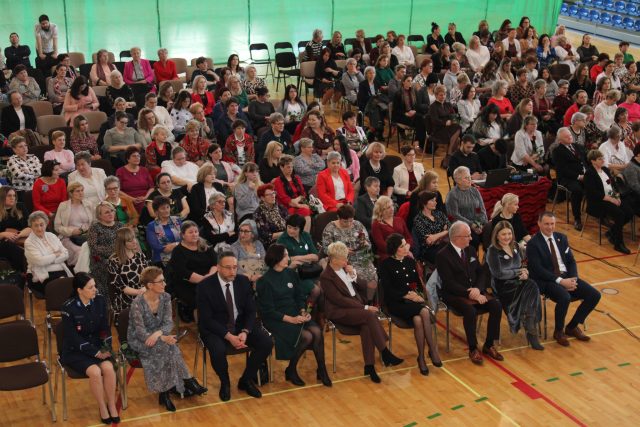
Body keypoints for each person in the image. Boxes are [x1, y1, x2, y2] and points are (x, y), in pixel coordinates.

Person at [321, 241, 403, 382]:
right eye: (343, 258)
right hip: (339, 311)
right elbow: (339, 300)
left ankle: (369, 367)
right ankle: (385, 352)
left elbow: (364, 287)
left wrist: (353, 275)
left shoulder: (345, 269)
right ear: (333, 260)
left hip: (355, 307)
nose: (346, 261)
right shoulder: (326, 276)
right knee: (369, 315)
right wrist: (364, 307)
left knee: (367, 326)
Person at [196, 249, 273, 401]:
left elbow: (251, 310)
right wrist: (229, 336)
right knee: (218, 350)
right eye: (228, 268)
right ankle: (225, 382)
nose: (232, 271)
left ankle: (246, 380)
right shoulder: (204, 286)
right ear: (218, 267)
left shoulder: (242, 281)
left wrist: (245, 331)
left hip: (239, 325)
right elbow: (206, 319)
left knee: (266, 342)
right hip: (215, 328)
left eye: (235, 267)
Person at [128, 266, 206, 412]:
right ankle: (188, 381)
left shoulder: (165, 297)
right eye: (161, 281)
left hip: (159, 336)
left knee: (167, 347)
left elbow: (168, 323)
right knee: (168, 347)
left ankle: (164, 394)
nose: (165, 284)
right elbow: (140, 332)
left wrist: (159, 334)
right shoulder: (137, 303)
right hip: (140, 339)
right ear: (150, 285)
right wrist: (162, 337)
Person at [256, 244, 331, 387]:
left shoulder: (290, 274)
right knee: (307, 336)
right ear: (276, 258)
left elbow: (299, 296)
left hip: (294, 312)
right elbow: (268, 311)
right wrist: (291, 319)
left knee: (316, 331)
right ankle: (291, 369)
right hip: (276, 319)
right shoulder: (264, 281)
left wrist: (303, 311)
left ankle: (322, 370)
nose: (288, 258)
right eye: (285, 255)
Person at [526, 212, 601, 346]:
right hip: (547, 280)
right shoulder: (533, 244)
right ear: (539, 224)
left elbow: (571, 260)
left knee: (594, 295)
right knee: (564, 297)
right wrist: (561, 281)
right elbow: (538, 269)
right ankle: (558, 331)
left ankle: (572, 327)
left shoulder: (561, 238)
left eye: (552, 224)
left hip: (566, 276)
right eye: (546, 224)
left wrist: (573, 278)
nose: (550, 227)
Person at [436, 221, 503, 364]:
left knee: (496, 305)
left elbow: (481, 272)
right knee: (470, 311)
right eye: (468, 235)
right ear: (457, 238)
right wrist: (470, 293)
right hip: (454, 294)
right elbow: (449, 283)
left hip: (475, 290)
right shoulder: (442, 255)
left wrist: (478, 289)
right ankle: (473, 348)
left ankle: (489, 344)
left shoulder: (471, 250)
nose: (471, 238)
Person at [60, 273, 120, 424]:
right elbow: (73, 337)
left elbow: (105, 328)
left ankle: (111, 404)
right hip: (76, 351)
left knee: (109, 368)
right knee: (95, 372)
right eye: (90, 287)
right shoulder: (68, 307)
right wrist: (95, 352)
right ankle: (102, 407)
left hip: (98, 346)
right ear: (79, 290)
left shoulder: (99, 301)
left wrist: (105, 347)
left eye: (95, 286)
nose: (95, 290)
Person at [381, 233, 442, 375]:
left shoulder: (409, 261)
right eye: (402, 246)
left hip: (413, 301)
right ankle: (432, 349)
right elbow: (388, 290)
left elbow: (418, 284)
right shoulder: (385, 264)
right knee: (424, 311)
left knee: (418, 320)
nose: (406, 247)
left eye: (405, 245)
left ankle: (421, 358)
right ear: (395, 249)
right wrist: (407, 295)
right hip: (396, 303)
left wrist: (418, 295)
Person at [486, 221, 543, 349]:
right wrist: (518, 272)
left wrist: (525, 271)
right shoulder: (492, 251)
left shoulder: (516, 246)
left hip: (518, 282)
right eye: (503, 234)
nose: (507, 237)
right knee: (530, 288)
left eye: (509, 233)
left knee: (532, 284)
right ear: (496, 235)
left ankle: (530, 324)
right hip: (503, 286)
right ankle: (531, 329)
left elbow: (523, 264)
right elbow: (498, 273)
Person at [584, 149, 633, 254]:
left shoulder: (605, 170)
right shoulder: (589, 174)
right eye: (599, 159)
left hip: (611, 197)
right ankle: (618, 244)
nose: (603, 160)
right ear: (593, 161)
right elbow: (593, 193)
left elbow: (613, 185)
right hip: (598, 202)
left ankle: (612, 231)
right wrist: (610, 199)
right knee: (619, 214)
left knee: (629, 212)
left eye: (602, 158)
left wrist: (617, 196)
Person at [322, 204, 378, 295]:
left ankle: (369, 300)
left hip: (361, 258)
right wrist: (343, 251)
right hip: (343, 261)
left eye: (351, 221)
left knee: (373, 278)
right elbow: (326, 248)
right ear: (338, 217)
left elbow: (367, 243)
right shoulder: (330, 228)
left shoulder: (357, 225)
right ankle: (357, 300)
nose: (348, 224)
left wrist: (365, 244)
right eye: (345, 221)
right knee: (358, 280)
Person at [169, 220, 218, 323]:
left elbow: (215, 263)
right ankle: (202, 328)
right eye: (190, 232)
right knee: (200, 300)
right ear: (183, 235)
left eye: (196, 231)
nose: (194, 234)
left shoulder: (205, 245)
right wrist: (203, 280)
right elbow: (183, 272)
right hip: (187, 283)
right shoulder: (178, 251)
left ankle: (219, 324)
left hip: (209, 279)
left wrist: (209, 277)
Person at [107, 227, 149, 323]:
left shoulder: (140, 256)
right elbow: (122, 287)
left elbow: (148, 277)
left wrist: (145, 290)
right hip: (124, 299)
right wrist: (139, 292)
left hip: (143, 294)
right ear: (122, 244)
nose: (134, 242)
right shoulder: (114, 261)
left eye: (134, 238)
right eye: (130, 240)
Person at [25, 211, 71, 294]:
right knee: (62, 287)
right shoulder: (29, 242)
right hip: (40, 274)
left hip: (59, 270)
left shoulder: (51, 236)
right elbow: (39, 261)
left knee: (70, 286)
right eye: (36, 225)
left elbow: (66, 254)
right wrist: (55, 255)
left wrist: (48, 259)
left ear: (46, 224)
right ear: (31, 227)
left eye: (41, 224)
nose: (39, 228)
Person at [446, 166, 487, 249]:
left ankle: (488, 256)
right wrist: (472, 225)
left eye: (469, 177)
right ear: (457, 180)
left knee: (491, 233)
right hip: (461, 227)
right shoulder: (452, 195)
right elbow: (454, 216)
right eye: (466, 178)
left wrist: (479, 224)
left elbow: (481, 210)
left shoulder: (475, 190)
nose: (469, 179)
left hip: (477, 224)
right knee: (474, 240)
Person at [55, 182, 94, 266]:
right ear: (71, 193)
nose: (81, 193)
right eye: (78, 191)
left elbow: (94, 222)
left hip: (87, 236)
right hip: (69, 237)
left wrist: (88, 230)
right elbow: (57, 226)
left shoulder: (89, 204)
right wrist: (72, 231)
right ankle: (80, 272)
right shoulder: (63, 206)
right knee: (81, 252)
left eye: (82, 190)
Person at [274, 155, 312, 227]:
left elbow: (303, 194)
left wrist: (298, 200)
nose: (290, 169)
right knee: (303, 211)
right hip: (286, 208)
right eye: (288, 167)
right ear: (281, 167)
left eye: (292, 167)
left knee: (307, 211)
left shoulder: (296, 178)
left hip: (298, 204)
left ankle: (305, 233)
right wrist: (300, 205)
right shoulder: (278, 181)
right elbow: (285, 199)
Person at [412, 191, 450, 264]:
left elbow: (450, 227)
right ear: (424, 203)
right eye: (432, 200)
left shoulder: (439, 213)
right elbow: (429, 241)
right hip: (430, 250)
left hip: (444, 243)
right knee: (446, 258)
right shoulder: (418, 219)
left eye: (435, 200)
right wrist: (444, 232)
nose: (435, 203)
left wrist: (436, 236)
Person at [371, 196, 412, 261]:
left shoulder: (399, 220)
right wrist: (399, 251)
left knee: (411, 261)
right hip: (387, 254)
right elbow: (381, 245)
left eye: (392, 206)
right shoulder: (376, 224)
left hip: (404, 251)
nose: (392, 209)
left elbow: (409, 238)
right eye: (388, 207)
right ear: (381, 210)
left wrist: (407, 246)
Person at [0, 187, 30, 273]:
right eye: (9, 195)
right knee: (10, 247)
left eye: (14, 195)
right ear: (2, 197)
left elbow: (30, 227)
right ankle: (25, 273)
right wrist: (3, 234)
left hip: (21, 237)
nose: (12, 198)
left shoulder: (20, 206)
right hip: (3, 242)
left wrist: (18, 235)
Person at [229, 219, 266, 284]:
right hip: (243, 280)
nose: (242, 234)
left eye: (246, 231)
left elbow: (265, 261)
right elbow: (234, 267)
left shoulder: (258, 244)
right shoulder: (234, 247)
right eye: (241, 231)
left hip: (260, 277)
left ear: (253, 234)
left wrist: (259, 275)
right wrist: (250, 277)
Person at [254, 183, 288, 248]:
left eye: (273, 193)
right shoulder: (258, 213)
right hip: (272, 243)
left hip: (287, 237)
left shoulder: (281, 208)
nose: (273, 196)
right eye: (269, 194)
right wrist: (286, 233)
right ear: (262, 198)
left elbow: (290, 223)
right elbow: (266, 236)